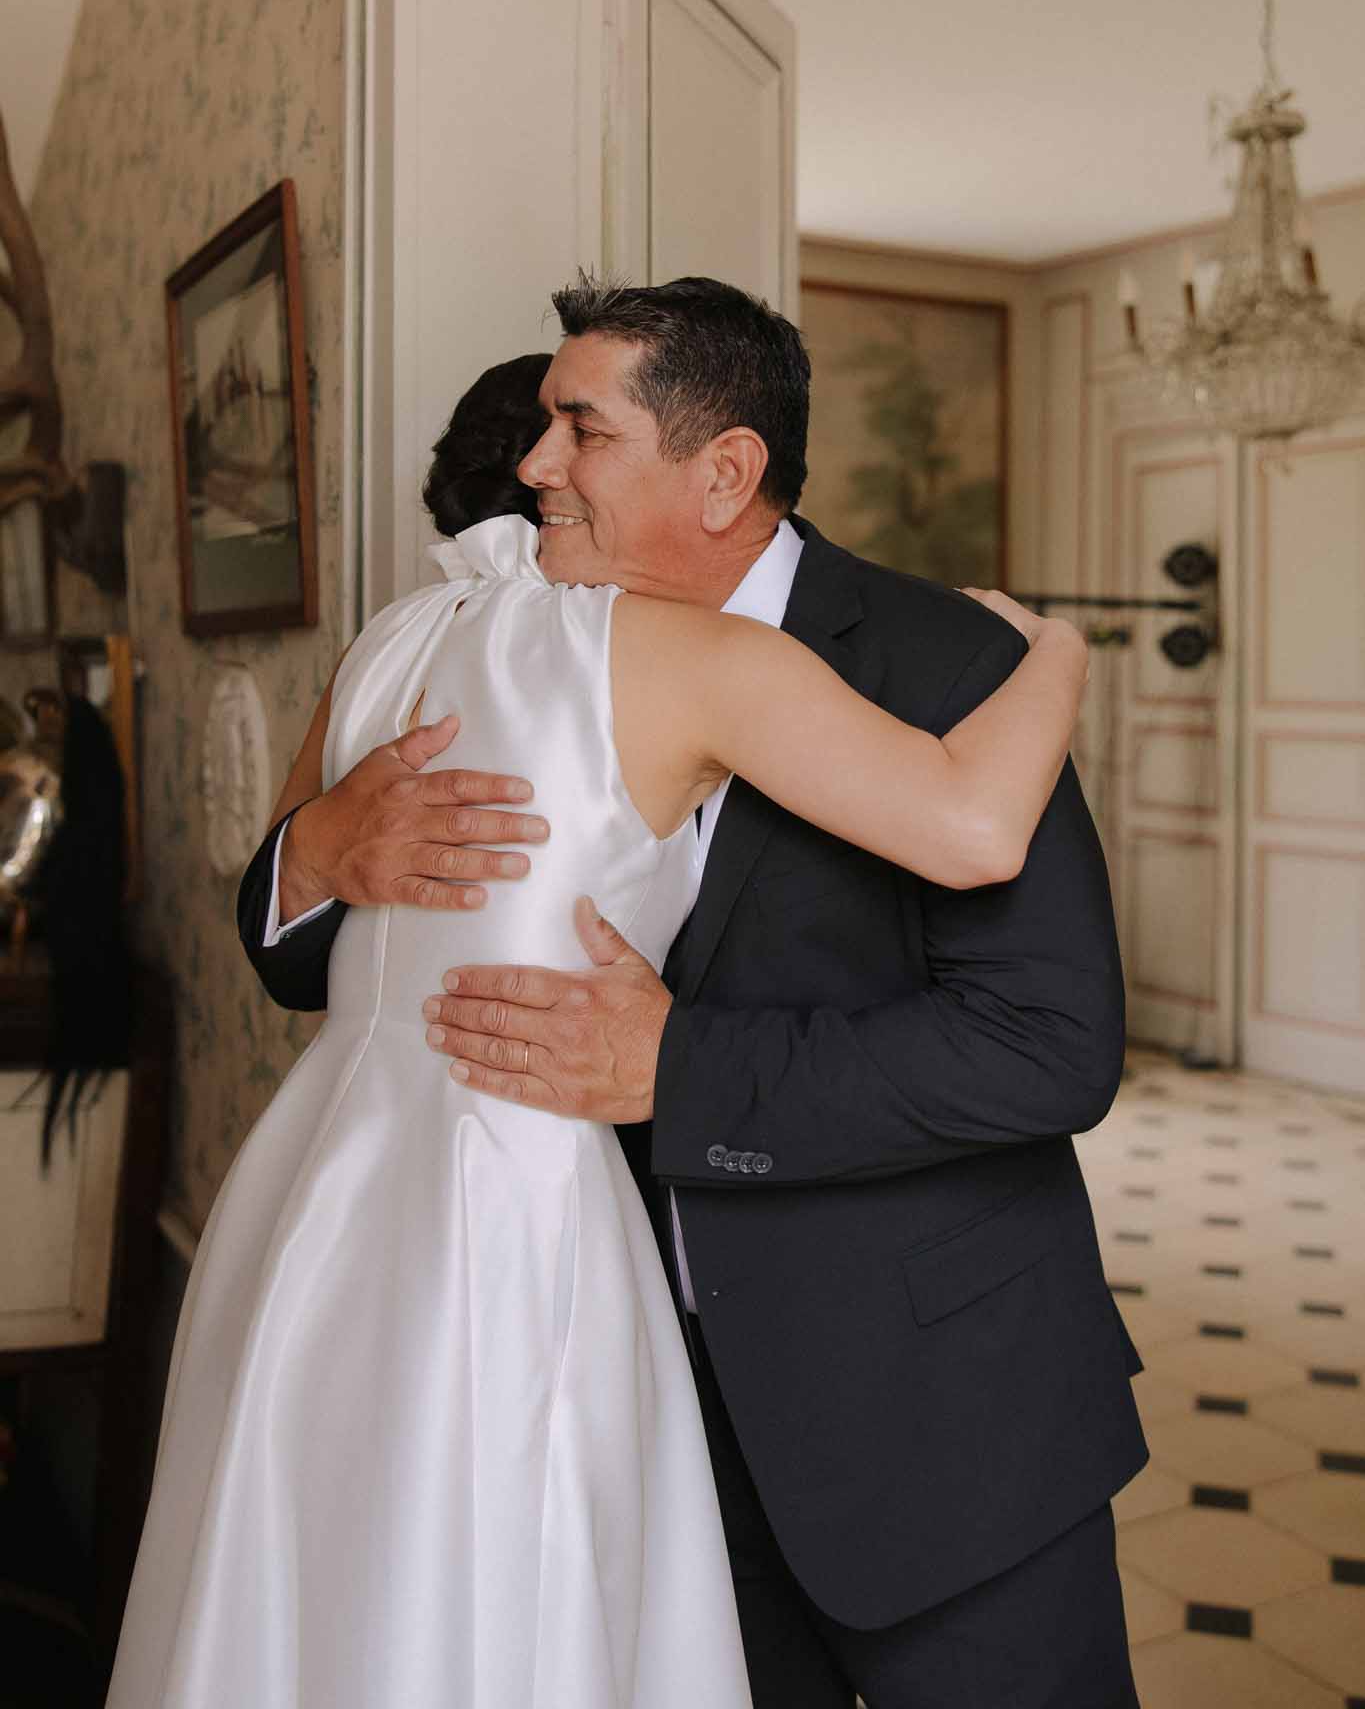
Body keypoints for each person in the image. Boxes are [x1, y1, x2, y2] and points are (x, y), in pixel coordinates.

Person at [111, 331, 1093, 1709]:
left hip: (902, 1392)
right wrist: (318, 850)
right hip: (541, 1270)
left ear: (722, 470)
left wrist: (678, 1064)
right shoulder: (490, 647)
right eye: (540, 438)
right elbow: (298, 936)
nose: (541, 467)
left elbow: (1049, 1040)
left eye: (578, 433)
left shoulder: (933, 654)